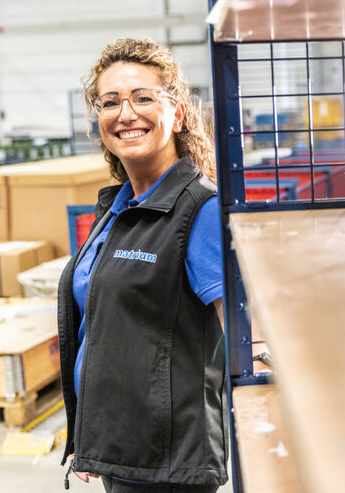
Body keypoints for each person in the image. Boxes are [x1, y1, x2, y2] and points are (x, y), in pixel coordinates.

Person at [57, 38, 227, 493]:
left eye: (143, 98)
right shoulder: (118, 208)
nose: (125, 113)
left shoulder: (200, 210)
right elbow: (108, 330)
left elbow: (243, 334)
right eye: (110, 101)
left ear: (179, 113)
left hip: (167, 463)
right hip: (123, 454)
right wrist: (89, 435)